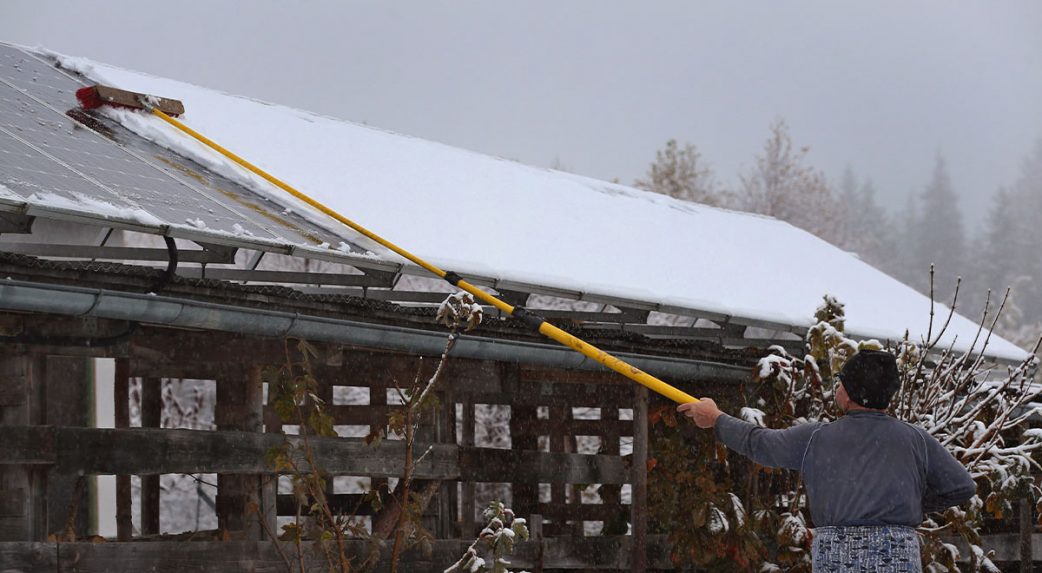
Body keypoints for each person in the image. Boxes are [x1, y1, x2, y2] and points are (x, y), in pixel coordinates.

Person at [677, 349, 976, 573]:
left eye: (841, 382)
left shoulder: (816, 438)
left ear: (849, 393)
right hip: (897, 556)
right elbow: (962, 486)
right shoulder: (916, 439)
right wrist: (913, 505)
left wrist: (716, 418)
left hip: (838, 558)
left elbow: (760, 443)